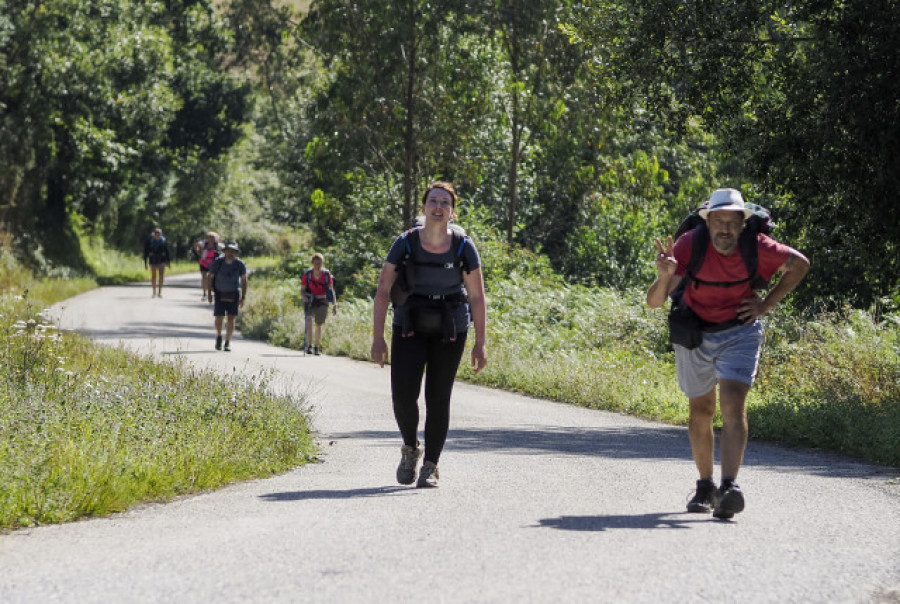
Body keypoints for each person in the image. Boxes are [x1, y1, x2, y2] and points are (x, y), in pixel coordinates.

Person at [646, 188, 809, 519]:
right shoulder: (691, 244)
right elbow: (655, 302)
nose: (724, 229)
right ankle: (705, 486)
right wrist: (664, 277)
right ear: (707, 223)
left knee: (734, 404)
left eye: (731, 222)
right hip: (695, 333)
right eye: (718, 221)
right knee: (701, 410)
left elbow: (800, 264)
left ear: (742, 224)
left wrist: (766, 304)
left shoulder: (757, 246)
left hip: (740, 331)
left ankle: (730, 486)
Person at [371, 181, 488, 488]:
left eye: (445, 203)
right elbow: (383, 290)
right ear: (423, 207)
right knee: (403, 396)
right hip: (409, 325)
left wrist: (480, 343)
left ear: (452, 211)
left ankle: (431, 465)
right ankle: (411, 448)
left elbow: (477, 296)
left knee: (438, 398)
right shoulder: (405, 242)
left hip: (451, 328)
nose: (438, 207)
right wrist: (378, 338)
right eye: (433, 201)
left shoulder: (463, 246)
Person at [206, 241, 248, 352]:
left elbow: (244, 280)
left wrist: (243, 297)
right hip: (219, 292)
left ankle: (228, 342)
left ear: (236, 253)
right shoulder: (218, 262)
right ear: (225, 251)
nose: (230, 253)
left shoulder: (240, 264)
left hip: (234, 293)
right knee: (219, 317)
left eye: (233, 251)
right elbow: (210, 277)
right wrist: (209, 293)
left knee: (231, 318)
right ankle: (219, 336)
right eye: (229, 251)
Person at [301, 253, 339, 355]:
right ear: (312, 263)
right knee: (309, 320)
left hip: (322, 300)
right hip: (310, 300)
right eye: (316, 263)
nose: (318, 265)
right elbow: (303, 290)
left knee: (318, 324)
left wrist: (335, 304)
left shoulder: (326, 275)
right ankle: (309, 346)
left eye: (319, 263)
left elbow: (332, 290)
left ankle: (316, 347)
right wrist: (304, 297)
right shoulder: (308, 274)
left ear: (322, 263)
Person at [143, 228, 171, 298]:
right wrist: (145, 263)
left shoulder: (164, 241)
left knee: (161, 275)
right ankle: (154, 292)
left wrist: (168, 262)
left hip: (162, 260)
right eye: (156, 234)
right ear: (154, 234)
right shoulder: (150, 242)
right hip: (153, 260)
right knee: (154, 276)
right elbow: (146, 252)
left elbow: (167, 252)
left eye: (159, 234)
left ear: (161, 234)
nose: (157, 235)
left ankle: (160, 292)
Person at [193, 231, 221, 301]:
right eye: (209, 237)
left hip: (214, 264)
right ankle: (204, 293)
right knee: (204, 277)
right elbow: (196, 245)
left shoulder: (218, 245)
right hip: (204, 263)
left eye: (212, 237)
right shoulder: (203, 243)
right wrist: (198, 252)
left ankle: (213, 291)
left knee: (213, 278)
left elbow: (224, 250)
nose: (211, 239)